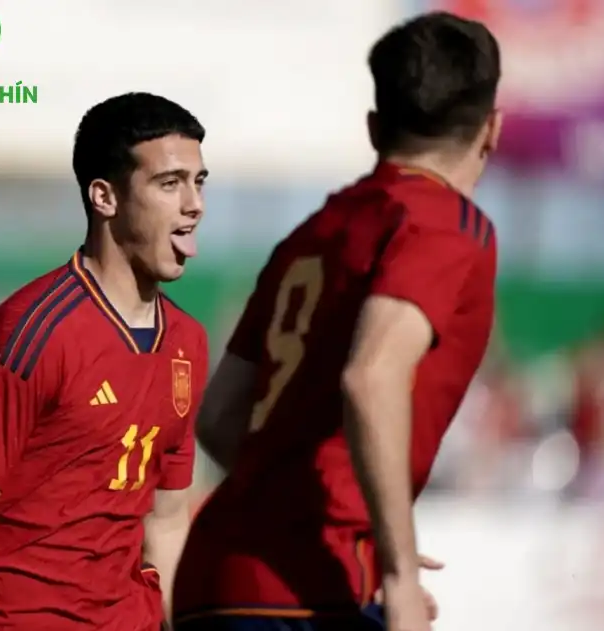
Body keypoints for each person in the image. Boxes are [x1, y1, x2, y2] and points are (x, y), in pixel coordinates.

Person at [173, 12, 501, 631]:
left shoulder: (314, 233)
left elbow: (218, 417)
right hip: (311, 593)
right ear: (492, 129)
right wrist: (398, 572)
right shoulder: (446, 225)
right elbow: (371, 377)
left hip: (216, 578)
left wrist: (308, 516)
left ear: (375, 127)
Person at [0, 92, 209, 631]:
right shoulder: (31, 333)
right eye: (170, 184)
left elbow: (166, 521)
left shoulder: (187, 342)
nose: (194, 205)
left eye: (199, 182)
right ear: (104, 197)